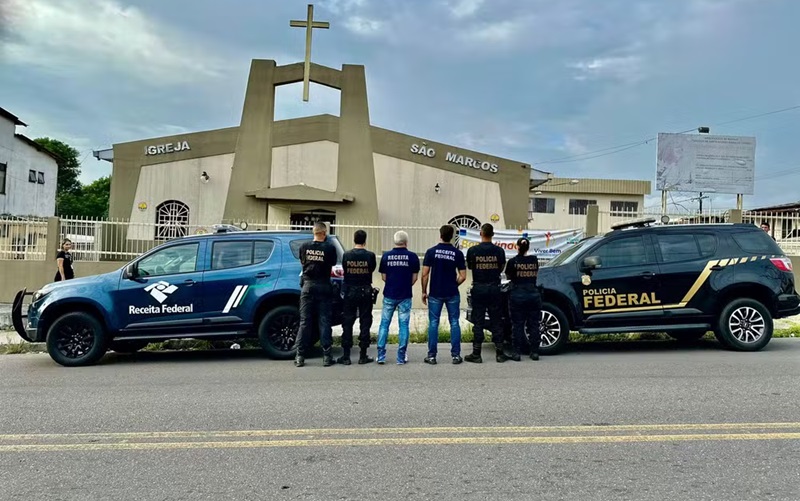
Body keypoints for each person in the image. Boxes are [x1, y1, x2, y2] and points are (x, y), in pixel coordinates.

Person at [421, 224, 467, 365]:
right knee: (454, 322)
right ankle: (455, 356)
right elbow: (463, 276)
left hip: (435, 292)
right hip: (452, 293)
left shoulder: (431, 252)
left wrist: (424, 291)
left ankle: (432, 356)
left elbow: (425, 274)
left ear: (440, 235)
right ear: (452, 236)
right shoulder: (457, 253)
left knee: (434, 323)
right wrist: (454, 284)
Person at [294, 222, 338, 368]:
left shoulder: (304, 247)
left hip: (307, 287)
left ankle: (300, 356)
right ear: (324, 233)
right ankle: (327, 356)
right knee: (324, 321)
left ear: (314, 232)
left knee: (305, 321)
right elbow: (332, 263)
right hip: (324, 286)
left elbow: (302, 262)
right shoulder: (329, 248)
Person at [465, 223, 507, 363]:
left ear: (481, 234)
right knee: (496, 321)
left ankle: (476, 353)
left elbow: (471, 266)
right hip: (494, 289)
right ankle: (500, 353)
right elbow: (501, 268)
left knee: (478, 321)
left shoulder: (472, 251)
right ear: (492, 234)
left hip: (479, 288)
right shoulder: (499, 251)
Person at [377, 230, 420, 365]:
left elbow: (384, 277)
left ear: (395, 241)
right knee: (404, 326)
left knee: (384, 324)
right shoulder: (413, 257)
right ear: (406, 242)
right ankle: (401, 357)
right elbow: (414, 278)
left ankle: (381, 355)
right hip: (405, 295)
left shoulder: (386, 256)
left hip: (389, 294)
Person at [339, 229, 377, 365]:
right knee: (365, 321)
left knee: (347, 322)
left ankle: (346, 356)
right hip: (365, 291)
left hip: (350, 291)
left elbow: (345, 269)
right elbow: (371, 269)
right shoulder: (370, 256)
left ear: (354, 239)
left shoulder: (346, 255)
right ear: (365, 240)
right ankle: (363, 355)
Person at [504, 237, 541, 361]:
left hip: (517, 296)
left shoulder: (513, 262)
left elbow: (509, 275)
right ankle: (534, 352)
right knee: (534, 325)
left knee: (517, 325)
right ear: (528, 247)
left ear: (517, 247)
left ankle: (516, 353)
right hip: (533, 295)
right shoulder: (534, 260)